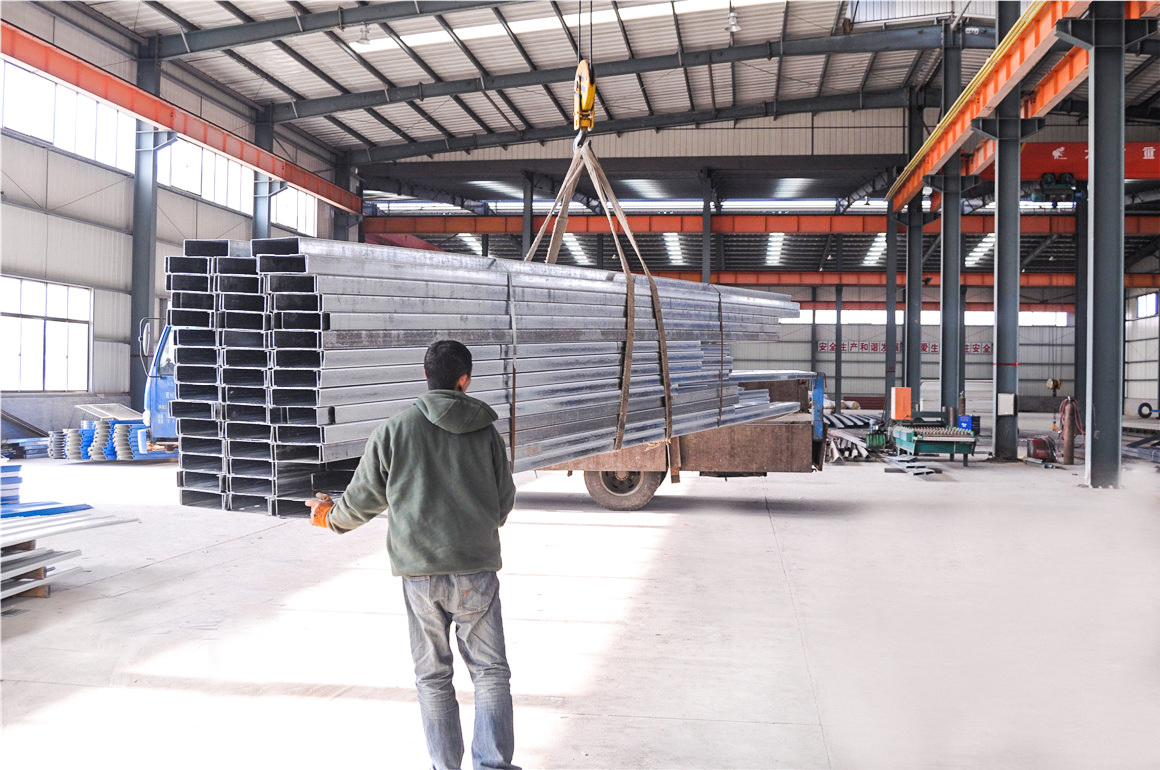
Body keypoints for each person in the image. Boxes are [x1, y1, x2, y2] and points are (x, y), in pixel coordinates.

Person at [306, 339, 519, 770]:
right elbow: (503, 499)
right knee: (491, 672)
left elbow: (362, 500)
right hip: (476, 569)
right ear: (464, 380)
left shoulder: (394, 431)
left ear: (426, 376)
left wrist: (328, 516)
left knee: (433, 676)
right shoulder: (486, 432)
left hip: (420, 574)